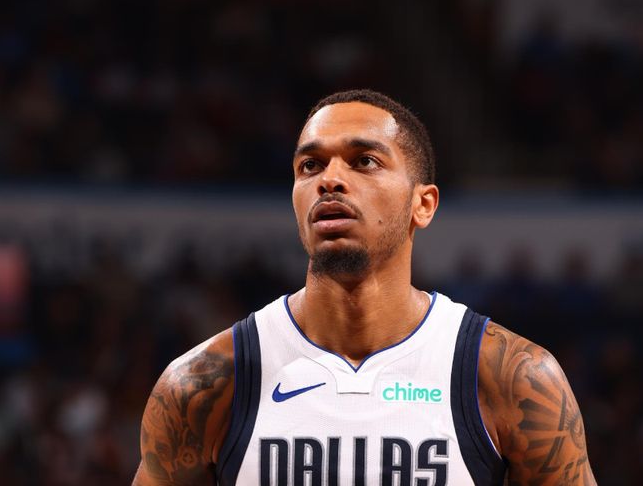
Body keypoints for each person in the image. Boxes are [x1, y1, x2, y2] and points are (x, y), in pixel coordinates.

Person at [132, 89, 597, 485]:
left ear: (424, 204)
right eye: (310, 166)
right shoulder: (203, 385)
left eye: (365, 161)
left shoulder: (512, 377)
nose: (330, 179)